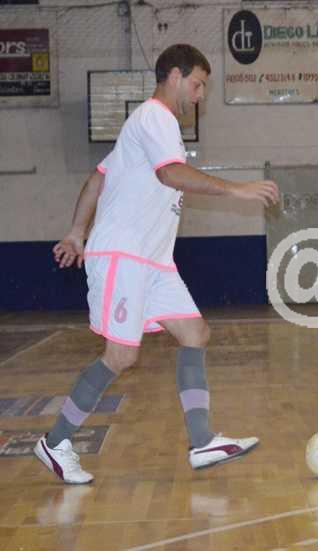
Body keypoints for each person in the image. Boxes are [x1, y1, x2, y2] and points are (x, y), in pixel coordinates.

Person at [35, 44, 280, 484]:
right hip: (124, 255)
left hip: (154, 260)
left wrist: (75, 232)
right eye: (198, 85)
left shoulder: (147, 127)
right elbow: (171, 174)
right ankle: (56, 442)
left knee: (195, 333)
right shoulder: (155, 117)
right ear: (174, 76)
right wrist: (237, 189)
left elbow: (97, 178)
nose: (200, 95)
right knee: (121, 355)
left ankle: (202, 441)